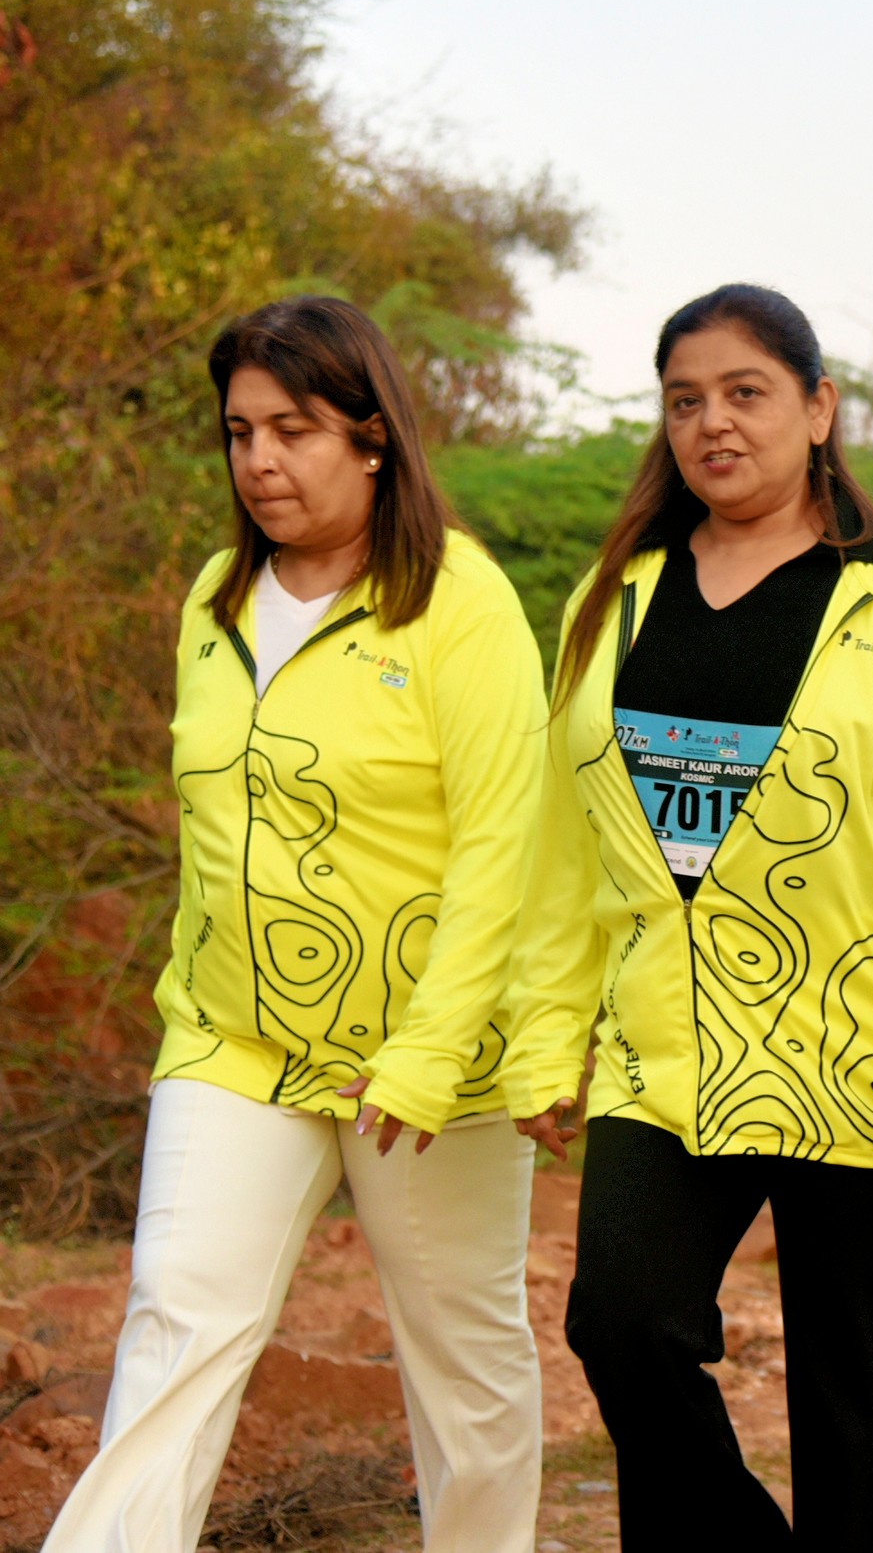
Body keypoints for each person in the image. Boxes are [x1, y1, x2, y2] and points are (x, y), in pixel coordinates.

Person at [505, 284, 873, 1552]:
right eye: (685, 400)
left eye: (746, 392)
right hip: (663, 1046)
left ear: (818, 407)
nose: (713, 423)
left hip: (859, 1043)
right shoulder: (615, 595)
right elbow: (565, 845)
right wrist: (545, 1033)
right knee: (622, 1324)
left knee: (850, 1393)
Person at [47, 298, 548, 1552]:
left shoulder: (460, 601)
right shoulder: (215, 601)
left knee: (466, 1367)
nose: (260, 459)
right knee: (176, 1321)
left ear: (373, 439)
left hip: (428, 1066)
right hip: (235, 1042)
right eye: (240, 432)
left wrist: (432, 1050)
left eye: (294, 429)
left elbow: (504, 842)